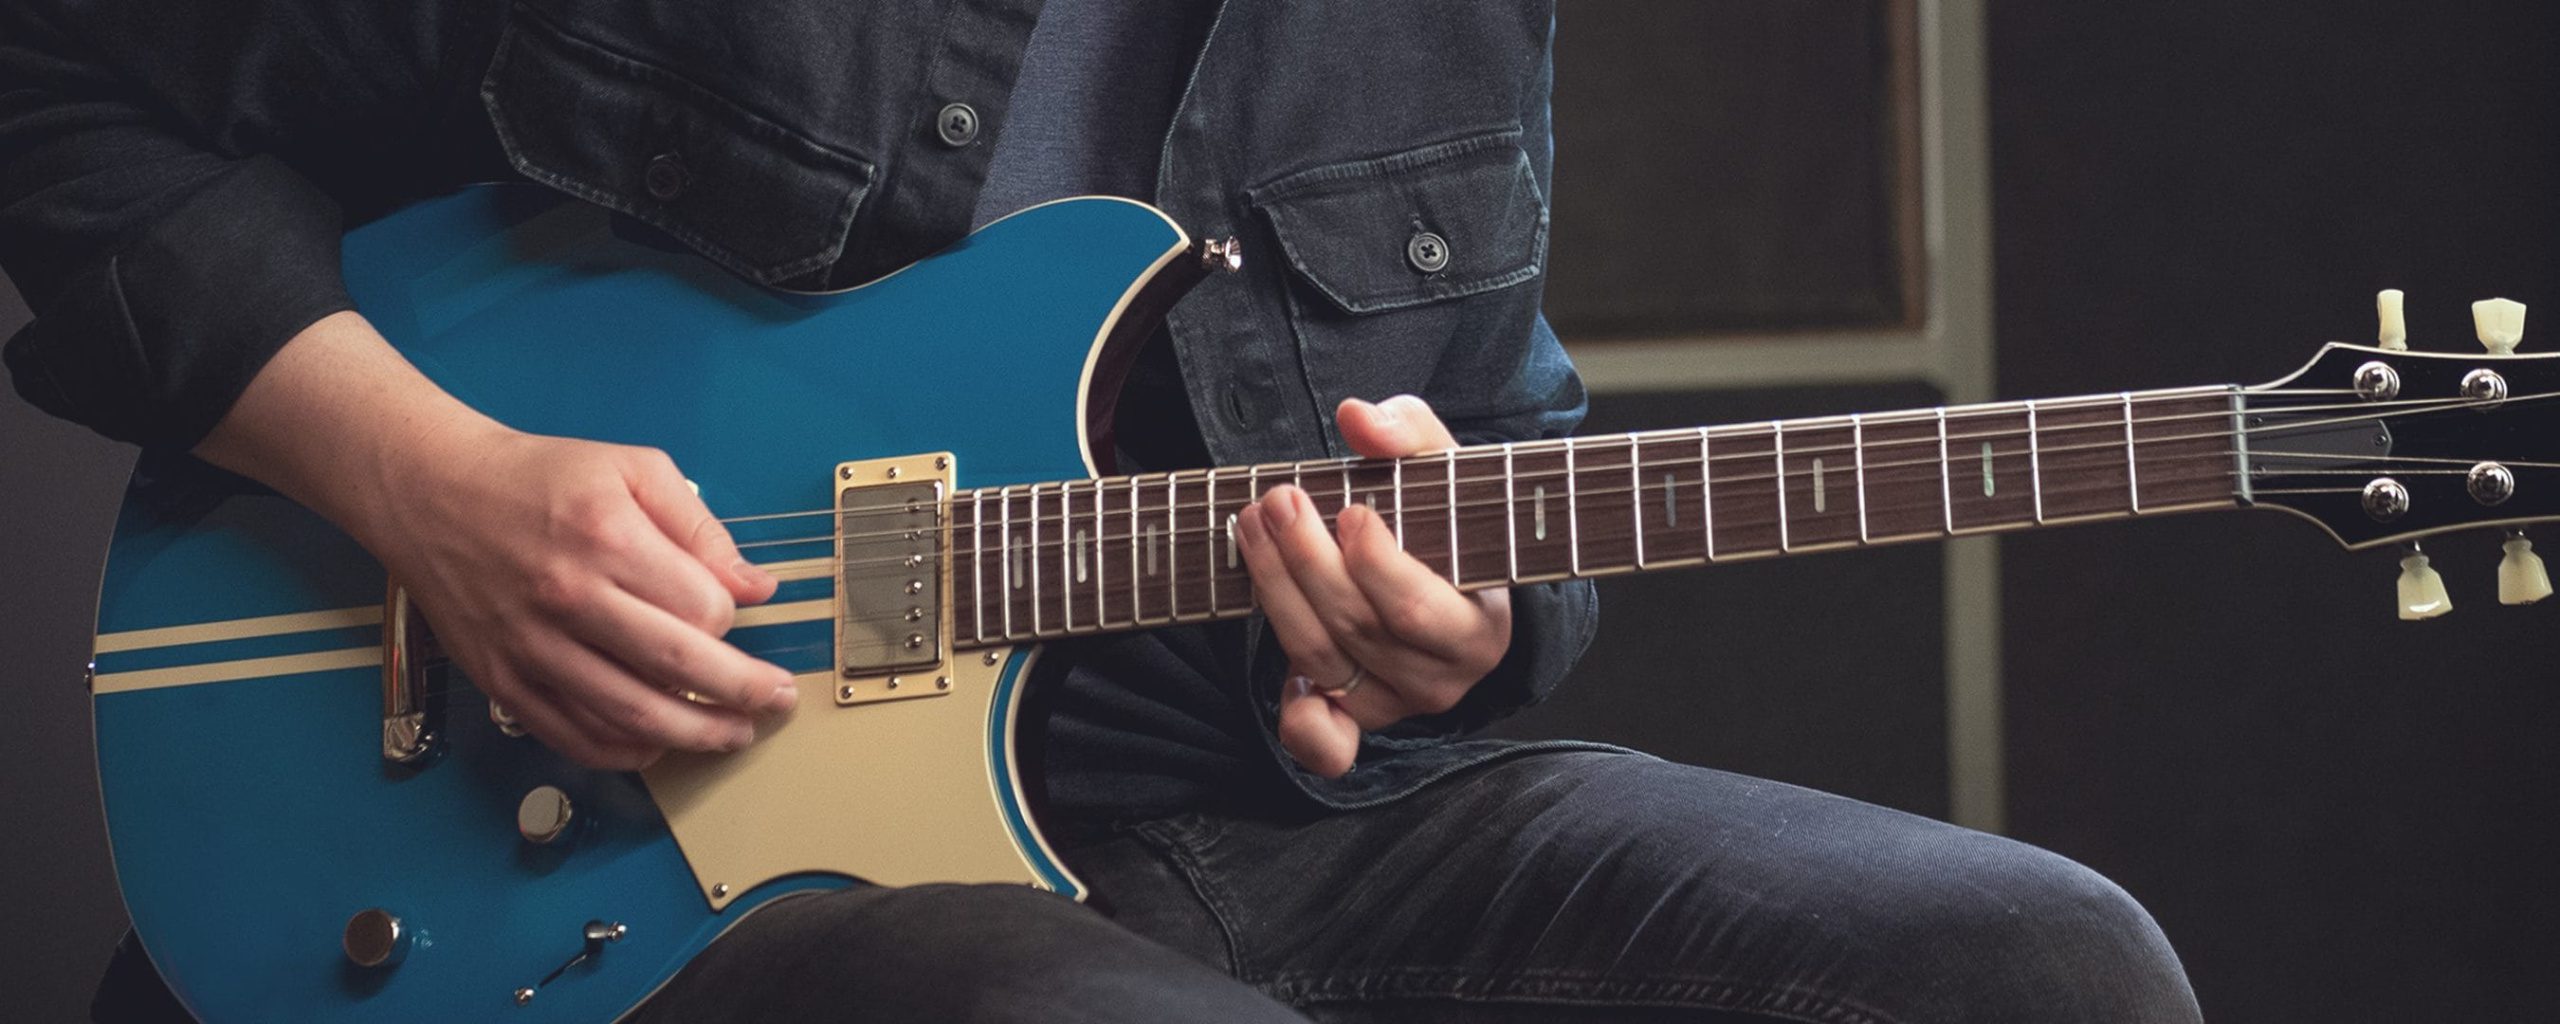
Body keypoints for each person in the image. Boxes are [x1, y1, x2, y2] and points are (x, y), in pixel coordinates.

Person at [2, 1, 2204, 1021]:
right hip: (655, 832)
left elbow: (1492, 449)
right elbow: (58, 89)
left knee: (2040, 959)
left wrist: (1449, 620)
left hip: (1256, 792)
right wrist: (440, 485)